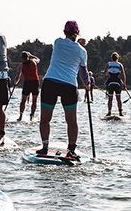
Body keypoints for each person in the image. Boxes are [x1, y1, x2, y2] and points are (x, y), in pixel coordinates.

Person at [36, 21, 90, 159]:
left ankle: (44, 147)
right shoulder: (82, 51)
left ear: (64, 32)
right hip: (69, 85)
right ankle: (71, 150)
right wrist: (87, 84)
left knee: (45, 119)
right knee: (71, 121)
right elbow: (83, 73)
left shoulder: (58, 42)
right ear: (77, 33)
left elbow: (69, 46)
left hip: (50, 82)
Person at [15, 51, 41, 123]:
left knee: (23, 100)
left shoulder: (21, 66)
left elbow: (18, 77)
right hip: (35, 82)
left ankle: (21, 116)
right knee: (34, 100)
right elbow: (38, 59)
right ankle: (31, 116)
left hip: (27, 83)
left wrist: (15, 82)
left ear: (21, 58)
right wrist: (31, 55)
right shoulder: (33, 61)